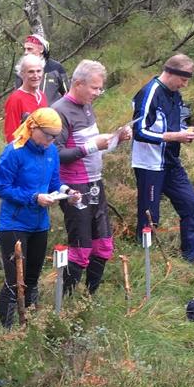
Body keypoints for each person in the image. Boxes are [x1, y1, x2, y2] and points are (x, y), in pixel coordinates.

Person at [52, 59, 132, 294]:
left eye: (100, 88)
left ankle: (89, 297)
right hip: (74, 186)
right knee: (81, 247)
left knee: (103, 244)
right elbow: (55, 154)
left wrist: (116, 139)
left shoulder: (87, 106)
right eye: (94, 88)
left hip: (95, 182)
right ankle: (67, 300)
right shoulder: (59, 111)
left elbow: (91, 145)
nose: (98, 93)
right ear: (78, 83)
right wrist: (91, 147)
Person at [0, 108, 78, 327]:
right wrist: (33, 197)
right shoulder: (14, 151)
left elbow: (54, 183)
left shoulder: (50, 152)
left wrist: (67, 192)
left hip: (40, 223)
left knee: (32, 279)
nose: (51, 141)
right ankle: (6, 330)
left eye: (55, 137)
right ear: (33, 128)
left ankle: (28, 325)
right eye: (48, 135)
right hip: (14, 223)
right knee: (14, 281)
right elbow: (1, 188)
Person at [131, 53, 194, 262]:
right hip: (149, 165)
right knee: (149, 217)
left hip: (171, 162)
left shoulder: (175, 94)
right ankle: (146, 262)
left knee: (192, 205)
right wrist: (174, 136)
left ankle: (190, 259)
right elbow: (139, 131)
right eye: (183, 80)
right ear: (171, 73)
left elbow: (176, 126)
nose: (184, 85)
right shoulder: (149, 93)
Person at [2, 53, 47, 142]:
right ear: (22, 74)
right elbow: (11, 135)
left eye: (39, 71)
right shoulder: (15, 99)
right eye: (31, 71)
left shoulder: (42, 96)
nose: (36, 75)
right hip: (24, 152)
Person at [13, 33, 68, 102]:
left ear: (41, 49)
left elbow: (67, 95)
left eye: (29, 49)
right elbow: (17, 96)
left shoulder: (56, 68)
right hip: (30, 111)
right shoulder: (22, 69)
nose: (26, 52)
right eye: (25, 49)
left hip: (53, 112)